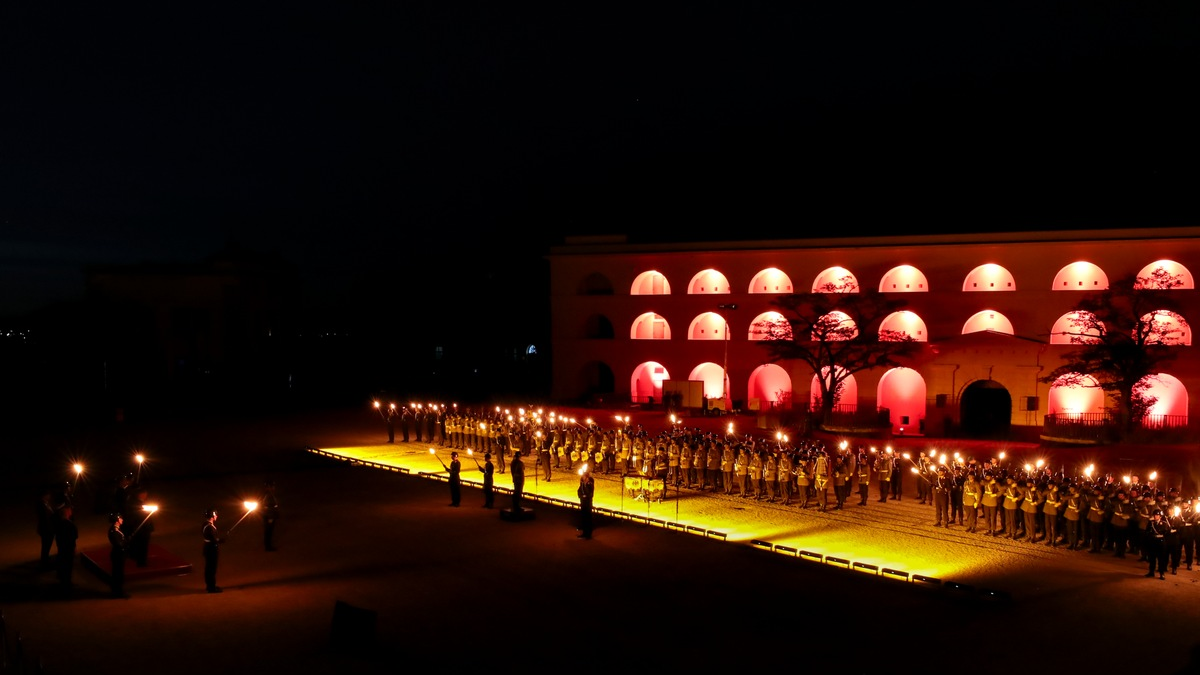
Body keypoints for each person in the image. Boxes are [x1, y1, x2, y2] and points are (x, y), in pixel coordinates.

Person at [54, 504, 78, 592]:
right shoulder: (69, 525)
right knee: (68, 565)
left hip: (62, 548)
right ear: (67, 513)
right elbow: (73, 538)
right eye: (69, 511)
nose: (71, 512)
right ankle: (67, 583)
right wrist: (74, 548)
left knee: (63, 564)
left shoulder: (59, 524)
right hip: (68, 548)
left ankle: (63, 581)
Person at [203, 509, 225, 593]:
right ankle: (211, 588)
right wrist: (221, 540)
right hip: (211, 549)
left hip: (208, 548)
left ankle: (210, 586)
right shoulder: (209, 527)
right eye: (215, 515)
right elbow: (213, 539)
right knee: (211, 569)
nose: (217, 516)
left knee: (209, 568)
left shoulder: (206, 524)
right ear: (212, 517)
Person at [108, 512, 128, 598]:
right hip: (118, 555)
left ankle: (118, 590)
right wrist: (125, 543)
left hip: (119, 554)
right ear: (117, 520)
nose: (122, 519)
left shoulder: (116, 529)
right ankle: (117, 592)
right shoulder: (114, 530)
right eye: (120, 518)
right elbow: (118, 544)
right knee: (118, 574)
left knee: (119, 573)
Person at [261, 480, 280, 551]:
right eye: (272, 486)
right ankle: (268, 547)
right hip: (269, 516)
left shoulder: (268, 494)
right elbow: (268, 508)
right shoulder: (268, 496)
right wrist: (271, 517)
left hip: (268, 515)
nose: (274, 487)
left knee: (268, 531)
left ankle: (268, 546)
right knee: (268, 531)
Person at [577, 465, 595, 539]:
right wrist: (581, 496)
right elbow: (579, 490)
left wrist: (586, 484)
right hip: (583, 501)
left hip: (587, 502)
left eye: (584, 477)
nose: (582, 478)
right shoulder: (582, 482)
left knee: (588, 517)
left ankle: (588, 534)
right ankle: (584, 532)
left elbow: (590, 493)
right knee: (584, 516)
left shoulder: (590, 482)